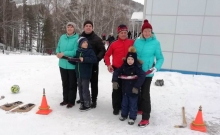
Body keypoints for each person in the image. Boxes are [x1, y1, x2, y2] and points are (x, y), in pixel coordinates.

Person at [134, 19, 164, 127]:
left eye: (149, 31)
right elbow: (133, 55)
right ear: (142, 32)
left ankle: (146, 118)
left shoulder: (155, 43)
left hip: (147, 73)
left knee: (145, 94)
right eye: (145, 31)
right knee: (137, 91)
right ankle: (140, 108)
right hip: (137, 71)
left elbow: (160, 58)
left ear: (151, 31)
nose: (147, 33)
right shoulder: (137, 42)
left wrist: (156, 68)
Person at [104, 24, 134, 115]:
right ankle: (116, 107)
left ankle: (126, 106)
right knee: (116, 89)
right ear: (118, 33)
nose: (124, 34)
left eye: (125, 32)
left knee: (127, 89)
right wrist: (109, 64)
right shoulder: (114, 44)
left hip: (129, 70)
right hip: (117, 70)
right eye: (122, 32)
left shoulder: (132, 42)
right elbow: (106, 55)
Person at [112, 46, 145, 125]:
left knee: (133, 105)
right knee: (124, 103)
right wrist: (114, 81)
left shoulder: (137, 68)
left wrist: (137, 86)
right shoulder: (124, 66)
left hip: (134, 91)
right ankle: (124, 115)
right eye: (128, 59)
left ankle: (132, 117)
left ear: (135, 60)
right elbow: (116, 72)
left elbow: (142, 76)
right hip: (125, 90)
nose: (130, 61)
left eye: (132, 59)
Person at [78, 20, 106, 108]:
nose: (88, 27)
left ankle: (93, 100)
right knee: (82, 83)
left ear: (92, 27)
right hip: (82, 65)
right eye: (86, 26)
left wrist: (97, 59)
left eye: (90, 26)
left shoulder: (97, 38)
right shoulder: (80, 37)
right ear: (84, 27)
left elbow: (103, 50)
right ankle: (83, 97)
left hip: (93, 65)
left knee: (94, 83)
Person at [68, 37, 97, 111]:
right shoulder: (78, 51)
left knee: (85, 89)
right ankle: (82, 101)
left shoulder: (90, 51)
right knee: (80, 88)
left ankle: (87, 103)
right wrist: (70, 59)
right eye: (84, 42)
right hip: (78, 73)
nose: (86, 44)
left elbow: (94, 59)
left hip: (86, 74)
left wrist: (84, 59)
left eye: (86, 42)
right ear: (80, 44)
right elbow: (76, 60)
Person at [56, 22, 79, 108]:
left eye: (71, 27)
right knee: (65, 83)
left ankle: (71, 101)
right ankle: (65, 99)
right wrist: (57, 53)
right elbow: (58, 47)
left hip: (71, 65)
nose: (69, 28)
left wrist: (64, 53)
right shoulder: (62, 37)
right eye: (68, 27)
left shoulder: (77, 38)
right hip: (62, 64)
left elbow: (75, 51)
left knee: (72, 83)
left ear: (74, 29)